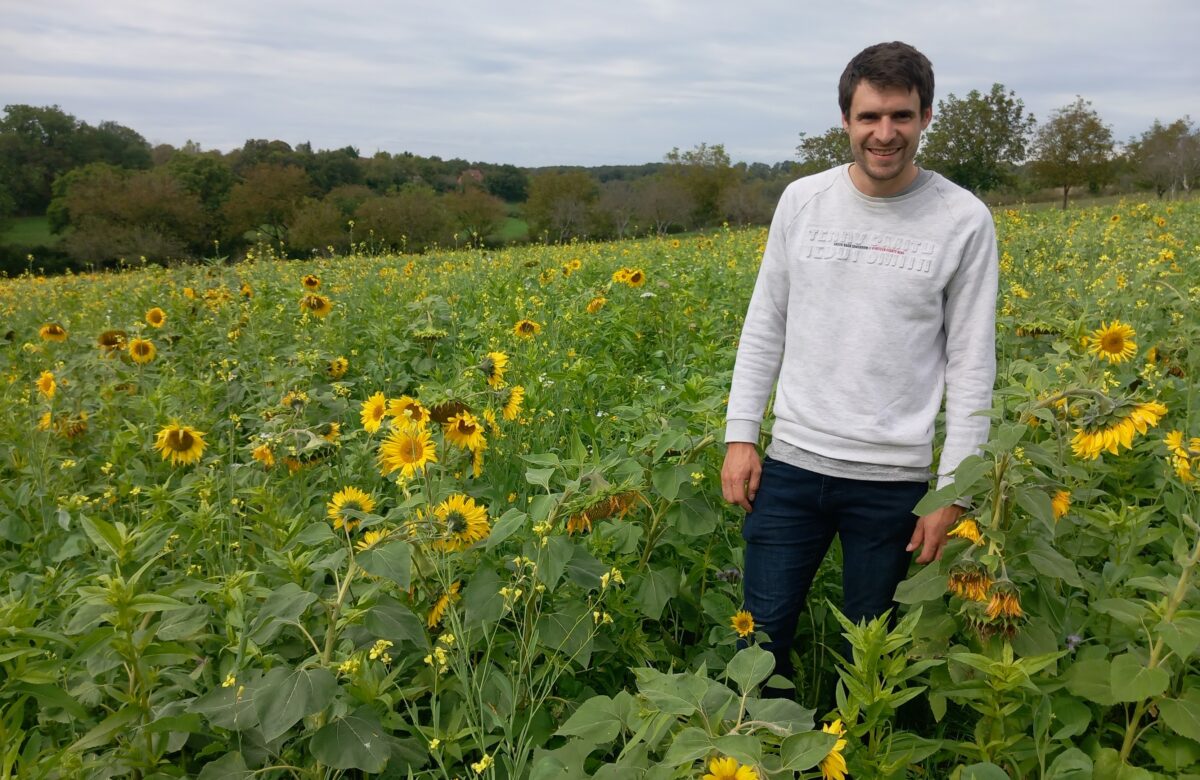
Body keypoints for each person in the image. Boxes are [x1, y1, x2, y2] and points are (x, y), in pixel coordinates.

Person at [720, 41, 998, 692]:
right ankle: (760, 754)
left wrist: (952, 492)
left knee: (872, 664)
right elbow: (765, 324)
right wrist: (742, 436)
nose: (885, 133)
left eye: (901, 116)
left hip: (895, 486)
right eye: (870, 116)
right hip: (790, 469)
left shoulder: (963, 221)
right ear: (845, 119)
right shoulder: (802, 202)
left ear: (926, 116)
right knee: (757, 645)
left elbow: (972, 365)